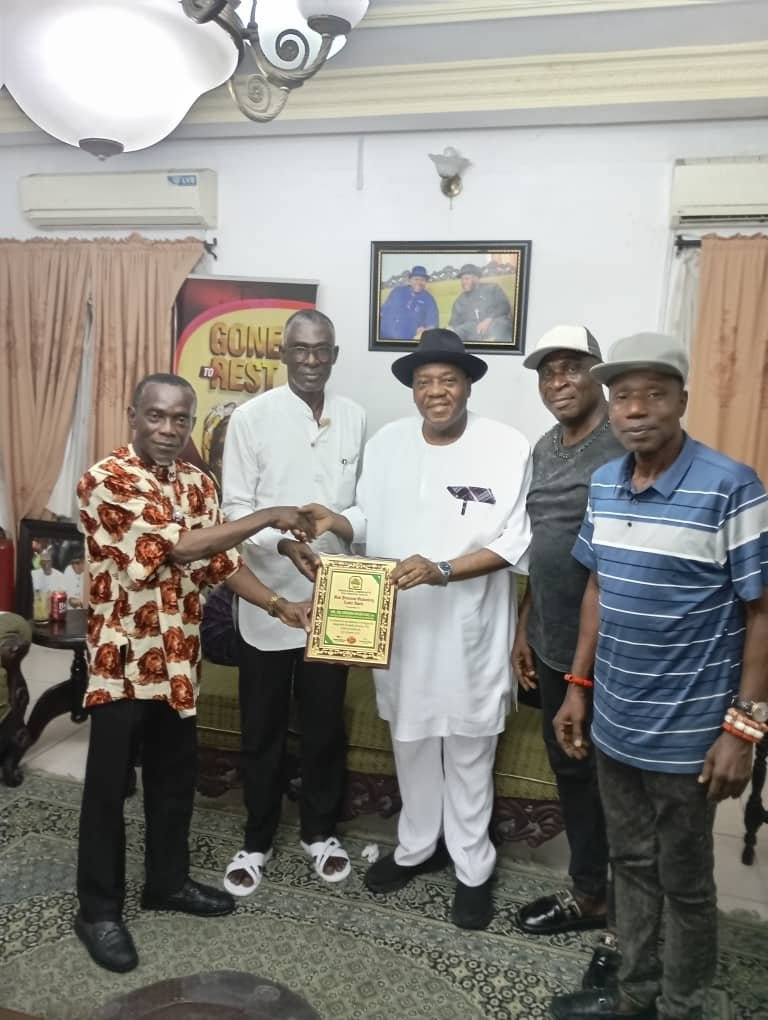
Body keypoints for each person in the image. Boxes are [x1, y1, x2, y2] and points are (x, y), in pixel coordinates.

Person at [549, 334, 768, 1020]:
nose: (636, 409)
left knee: (686, 881)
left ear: (682, 400)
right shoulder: (606, 483)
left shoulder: (732, 487)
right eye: (623, 396)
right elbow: (597, 588)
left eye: (654, 394)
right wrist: (577, 687)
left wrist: (743, 728)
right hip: (615, 724)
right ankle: (634, 995)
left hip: (690, 736)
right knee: (631, 864)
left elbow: (762, 611)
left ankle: (684, 1004)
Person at [75, 372, 315, 975]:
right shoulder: (105, 480)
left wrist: (279, 605)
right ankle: (97, 910)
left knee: (173, 781)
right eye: (156, 415)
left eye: (180, 418)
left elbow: (219, 564)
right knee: (108, 792)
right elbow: (179, 548)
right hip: (121, 665)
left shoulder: (197, 483)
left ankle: (167, 882)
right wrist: (267, 515)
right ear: (134, 415)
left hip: (179, 662)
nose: (168, 428)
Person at [303, 327, 532, 930]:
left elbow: (515, 542)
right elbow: (369, 517)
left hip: (470, 630)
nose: (436, 392)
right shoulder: (388, 444)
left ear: (467, 385)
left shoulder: (506, 447)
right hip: (401, 626)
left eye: (448, 380)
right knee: (410, 740)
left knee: (469, 747)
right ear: (413, 389)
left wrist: (443, 569)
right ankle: (417, 847)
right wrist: (335, 521)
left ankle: (472, 866)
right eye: (425, 382)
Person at [221, 308, 366, 896]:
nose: (311, 360)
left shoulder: (354, 417)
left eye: (321, 349)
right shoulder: (251, 418)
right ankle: (256, 839)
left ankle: (319, 833)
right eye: (300, 349)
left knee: (325, 725)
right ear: (283, 355)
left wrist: (340, 524)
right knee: (262, 728)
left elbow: (361, 507)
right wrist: (281, 540)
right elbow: (234, 510)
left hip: (336, 601)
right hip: (268, 599)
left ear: (335, 355)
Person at [512, 326, 624, 985]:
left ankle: (629, 924)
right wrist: (524, 627)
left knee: (621, 787)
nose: (558, 381)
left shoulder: (623, 443)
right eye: (547, 371)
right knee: (572, 771)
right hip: (554, 645)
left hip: (612, 654)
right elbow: (543, 549)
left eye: (572, 367)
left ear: (598, 374)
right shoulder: (544, 447)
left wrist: (582, 674)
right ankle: (590, 893)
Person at [448, 264, 513, 341]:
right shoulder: (460, 300)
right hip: (471, 330)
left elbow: (504, 306)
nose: (464, 282)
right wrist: (449, 331)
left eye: (467, 279)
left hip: (494, 323)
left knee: (503, 324)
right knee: (454, 334)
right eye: (462, 279)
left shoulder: (492, 288)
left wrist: (488, 319)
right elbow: (454, 323)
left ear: (477, 278)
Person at [380, 265, 439, 340]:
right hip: (386, 334)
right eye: (416, 279)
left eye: (422, 280)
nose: (419, 282)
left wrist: (425, 330)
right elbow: (383, 311)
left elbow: (433, 323)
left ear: (426, 282)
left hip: (409, 337)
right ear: (410, 280)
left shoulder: (429, 299)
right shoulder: (397, 291)